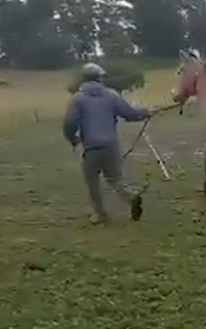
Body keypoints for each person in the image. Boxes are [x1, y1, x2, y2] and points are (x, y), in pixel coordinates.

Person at [63, 62, 153, 225]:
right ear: (99, 78)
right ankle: (131, 197)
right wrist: (145, 113)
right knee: (115, 179)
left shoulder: (78, 98)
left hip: (91, 148)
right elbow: (129, 114)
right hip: (111, 145)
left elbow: (69, 123)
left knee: (92, 181)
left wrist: (73, 139)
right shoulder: (111, 95)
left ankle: (100, 214)